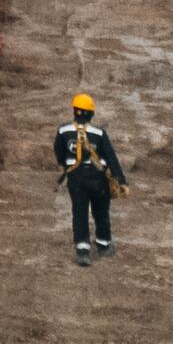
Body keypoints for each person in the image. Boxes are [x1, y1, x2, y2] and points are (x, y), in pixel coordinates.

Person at [55, 94, 126, 263]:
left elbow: (59, 152)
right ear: (91, 113)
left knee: (79, 213)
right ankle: (104, 246)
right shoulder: (99, 133)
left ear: (74, 111)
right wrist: (120, 179)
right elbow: (111, 157)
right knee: (101, 212)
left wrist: (67, 167)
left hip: (75, 177)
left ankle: (82, 251)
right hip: (97, 178)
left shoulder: (63, 131)